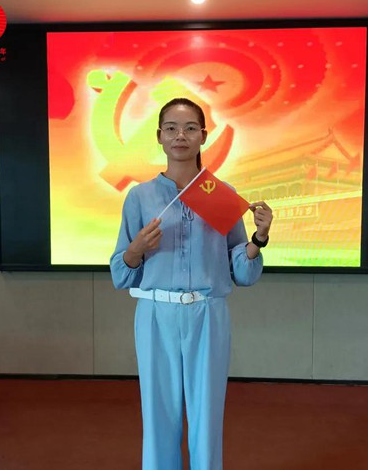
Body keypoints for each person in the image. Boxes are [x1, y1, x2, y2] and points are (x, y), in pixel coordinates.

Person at [110, 98, 273, 470]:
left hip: (207, 312)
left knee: (207, 412)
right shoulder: (140, 197)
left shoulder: (218, 192)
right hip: (155, 313)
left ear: (203, 135)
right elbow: (121, 271)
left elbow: (241, 270)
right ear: (159, 136)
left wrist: (259, 239)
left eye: (189, 128)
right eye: (171, 128)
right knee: (158, 412)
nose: (179, 136)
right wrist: (136, 249)